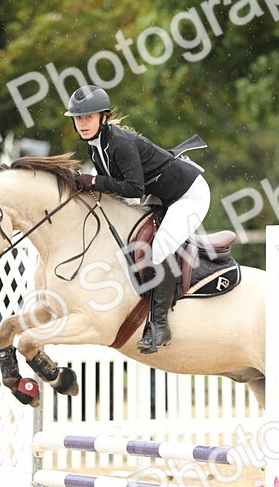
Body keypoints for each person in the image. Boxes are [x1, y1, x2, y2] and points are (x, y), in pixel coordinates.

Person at [66, 85, 209, 354]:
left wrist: (94, 181)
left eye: (88, 117)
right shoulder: (95, 147)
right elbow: (115, 188)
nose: (82, 123)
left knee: (161, 247)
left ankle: (159, 326)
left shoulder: (120, 144)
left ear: (103, 117)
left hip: (188, 194)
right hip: (163, 195)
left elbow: (134, 189)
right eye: (78, 118)